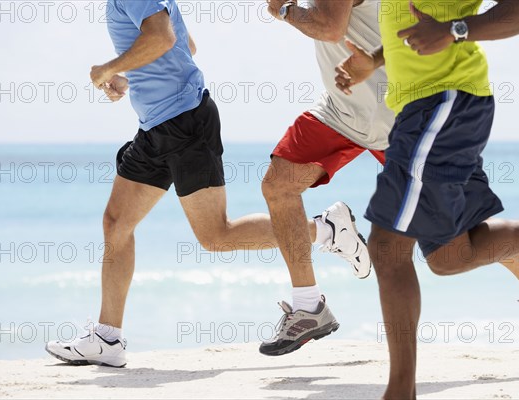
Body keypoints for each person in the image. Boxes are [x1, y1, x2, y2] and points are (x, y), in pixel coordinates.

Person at [45, 0, 364, 368]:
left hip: (185, 123)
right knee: (116, 223)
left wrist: (108, 68)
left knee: (216, 236)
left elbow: (163, 38)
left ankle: (325, 230)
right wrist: (129, 77)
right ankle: (107, 337)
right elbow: (185, 46)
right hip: (155, 129)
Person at [334, 0, 519, 397]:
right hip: (426, 110)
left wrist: (455, 31)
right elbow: (418, 21)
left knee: (387, 247)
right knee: (449, 257)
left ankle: (400, 392)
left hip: (445, 102)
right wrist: (375, 60)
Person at [259, 0, 395, 356]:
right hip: (341, 111)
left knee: (453, 223)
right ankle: (309, 307)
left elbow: (330, 27)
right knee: (279, 185)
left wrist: (286, 11)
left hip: (392, 115)